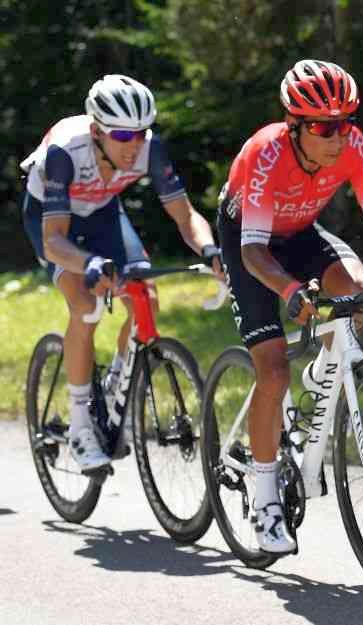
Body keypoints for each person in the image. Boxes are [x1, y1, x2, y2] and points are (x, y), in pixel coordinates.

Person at [217, 59, 363, 554]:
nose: (338, 137)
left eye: (344, 124)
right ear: (295, 126)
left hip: (300, 232)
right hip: (250, 243)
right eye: (325, 127)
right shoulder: (265, 154)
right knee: (273, 371)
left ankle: (321, 376)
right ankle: (265, 500)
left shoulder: (353, 148)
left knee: (357, 291)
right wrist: (290, 292)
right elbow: (254, 253)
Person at [20, 74, 223, 473]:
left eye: (141, 133)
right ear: (96, 131)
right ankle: (79, 424)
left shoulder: (150, 150)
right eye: (122, 136)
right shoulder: (64, 152)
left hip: (101, 213)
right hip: (52, 222)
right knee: (87, 305)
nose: (135, 145)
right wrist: (90, 264)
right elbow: (54, 242)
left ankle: (115, 388)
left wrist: (210, 249)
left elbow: (185, 217)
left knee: (145, 296)